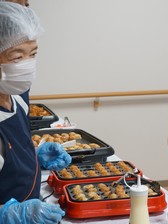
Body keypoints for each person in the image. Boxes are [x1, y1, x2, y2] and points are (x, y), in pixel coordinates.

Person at [0, 2, 72, 223]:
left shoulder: (16, 98)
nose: (28, 65)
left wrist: (33, 157)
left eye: (33, 54)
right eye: (17, 57)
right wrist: (8, 214)